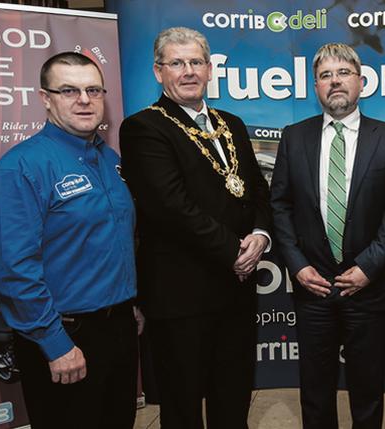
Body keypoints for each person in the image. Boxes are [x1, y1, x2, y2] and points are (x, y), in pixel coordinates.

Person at [119, 27, 271, 428]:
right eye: (177, 63)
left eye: (196, 62)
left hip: (236, 292)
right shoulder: (143, 128)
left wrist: (260, 234)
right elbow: (171, 208)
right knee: (183, 405)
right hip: (180, 294)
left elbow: (255, 189)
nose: (188, 71)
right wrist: (234, 253)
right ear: (158, 71)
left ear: (209, 69)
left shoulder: (232, 123)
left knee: (233, 397)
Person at [0, 52, 140, 429]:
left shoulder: (109, 159)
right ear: (45, 97)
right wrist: (55, 343)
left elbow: (116, 239)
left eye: (93, 90)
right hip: (63, 334)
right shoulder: (20, 168)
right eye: (69, 90)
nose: (84, 99)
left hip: (117, 329)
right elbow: (12, 270)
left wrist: (129, 303)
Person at [270, 42, 385, 429]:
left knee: (368, 389)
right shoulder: (293, 137)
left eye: (343, 73)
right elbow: (279, 205)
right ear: (315, 87)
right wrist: (297, 267)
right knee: (315, 390)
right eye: (325, 76)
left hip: (367, 287)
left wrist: (368, 266)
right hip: (312, 287)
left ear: (361, 82)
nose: (335, 82)